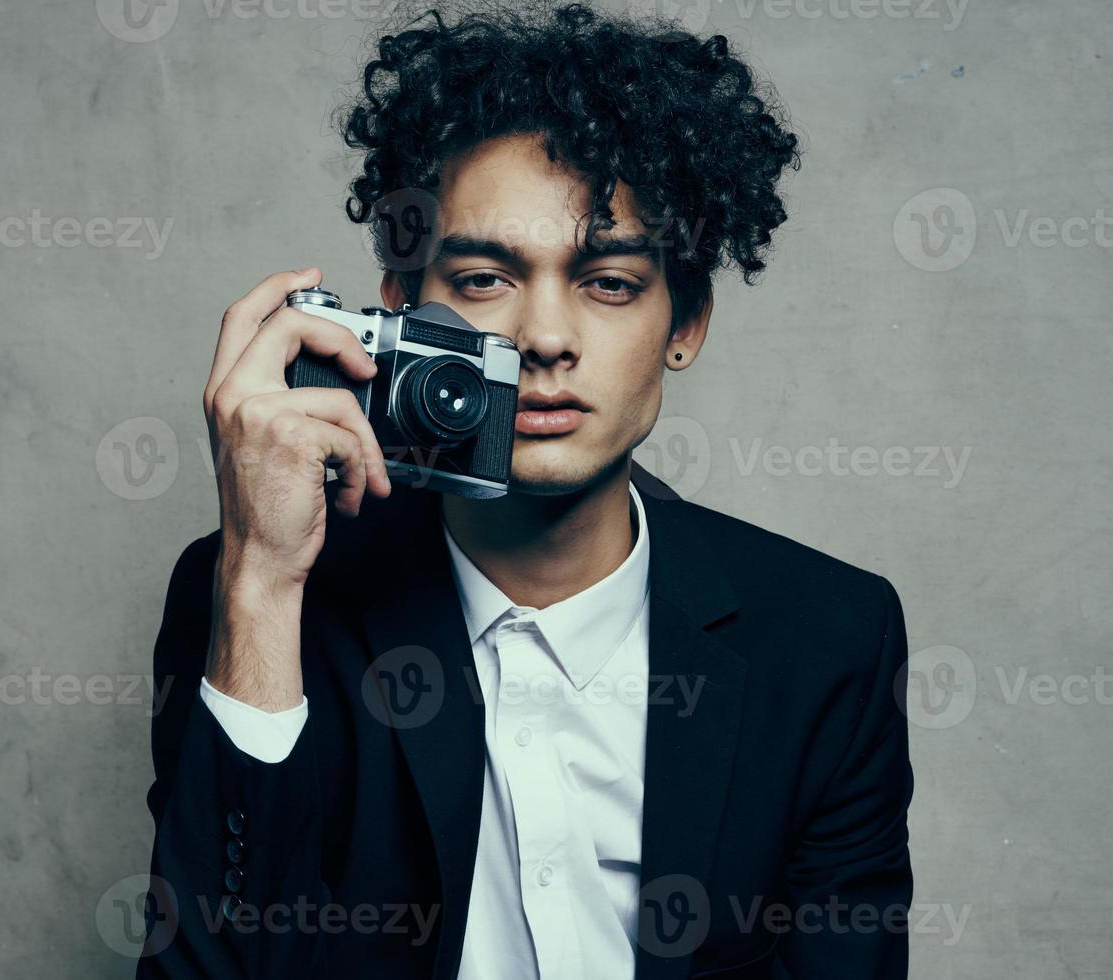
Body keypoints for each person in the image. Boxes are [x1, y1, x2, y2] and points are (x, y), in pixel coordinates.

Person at [138, 4, 913, 977]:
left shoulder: (828, 637)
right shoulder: (266, 596)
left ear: (689, 319)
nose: (544, 337)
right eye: (483, 278)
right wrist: (258, 579)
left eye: (611, 282)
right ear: (404, 313)